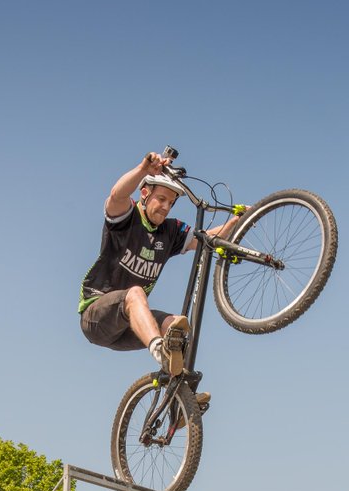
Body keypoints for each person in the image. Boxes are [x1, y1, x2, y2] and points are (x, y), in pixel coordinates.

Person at [79, 151, 242, 393]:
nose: (166, 207)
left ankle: (180, 401)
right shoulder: (127, 217)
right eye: (161, 200)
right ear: (145, 194)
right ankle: (158, 348)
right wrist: (143, 169)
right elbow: (117, 194)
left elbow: (208, 240)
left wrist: (238, 220)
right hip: (96, 317)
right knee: (134, 294)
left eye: (171, 203)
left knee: (177, 327)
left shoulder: (171, 231)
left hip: (129, 328)